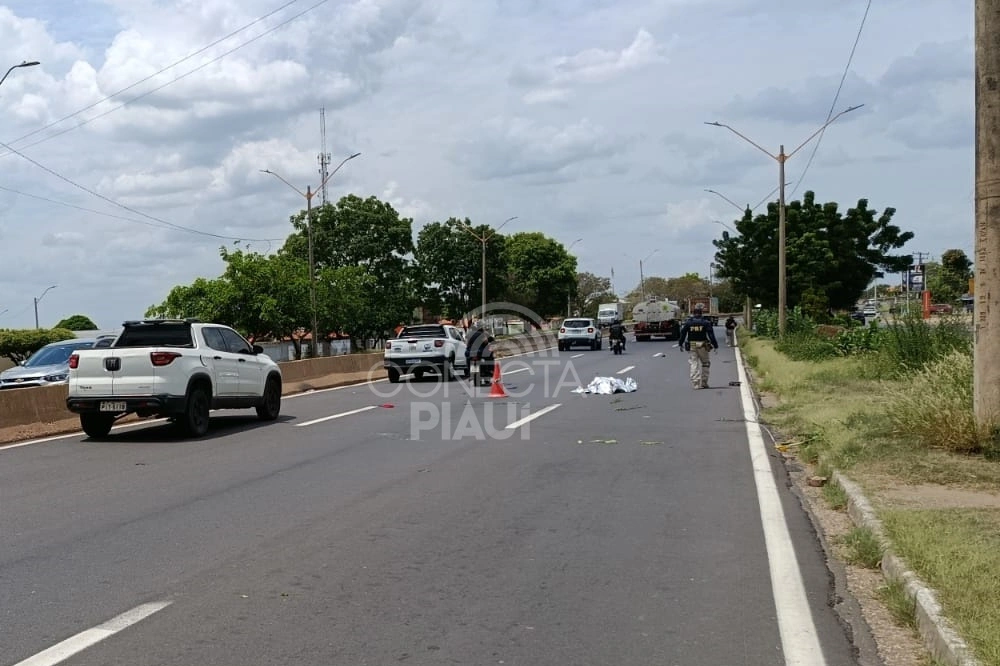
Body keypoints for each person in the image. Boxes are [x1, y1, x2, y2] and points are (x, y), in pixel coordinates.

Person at [678, 304, 719, 389]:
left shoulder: (688, 323)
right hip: (703, 345)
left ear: (693, 313)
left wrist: (680, 344)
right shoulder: (706, 323)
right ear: (701, 313)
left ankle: (696, 383)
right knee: (706, 363)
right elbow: (711, 335)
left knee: (694, 363)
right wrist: (715, 346)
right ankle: (704, 382)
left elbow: (683, 334)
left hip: (692, 345)